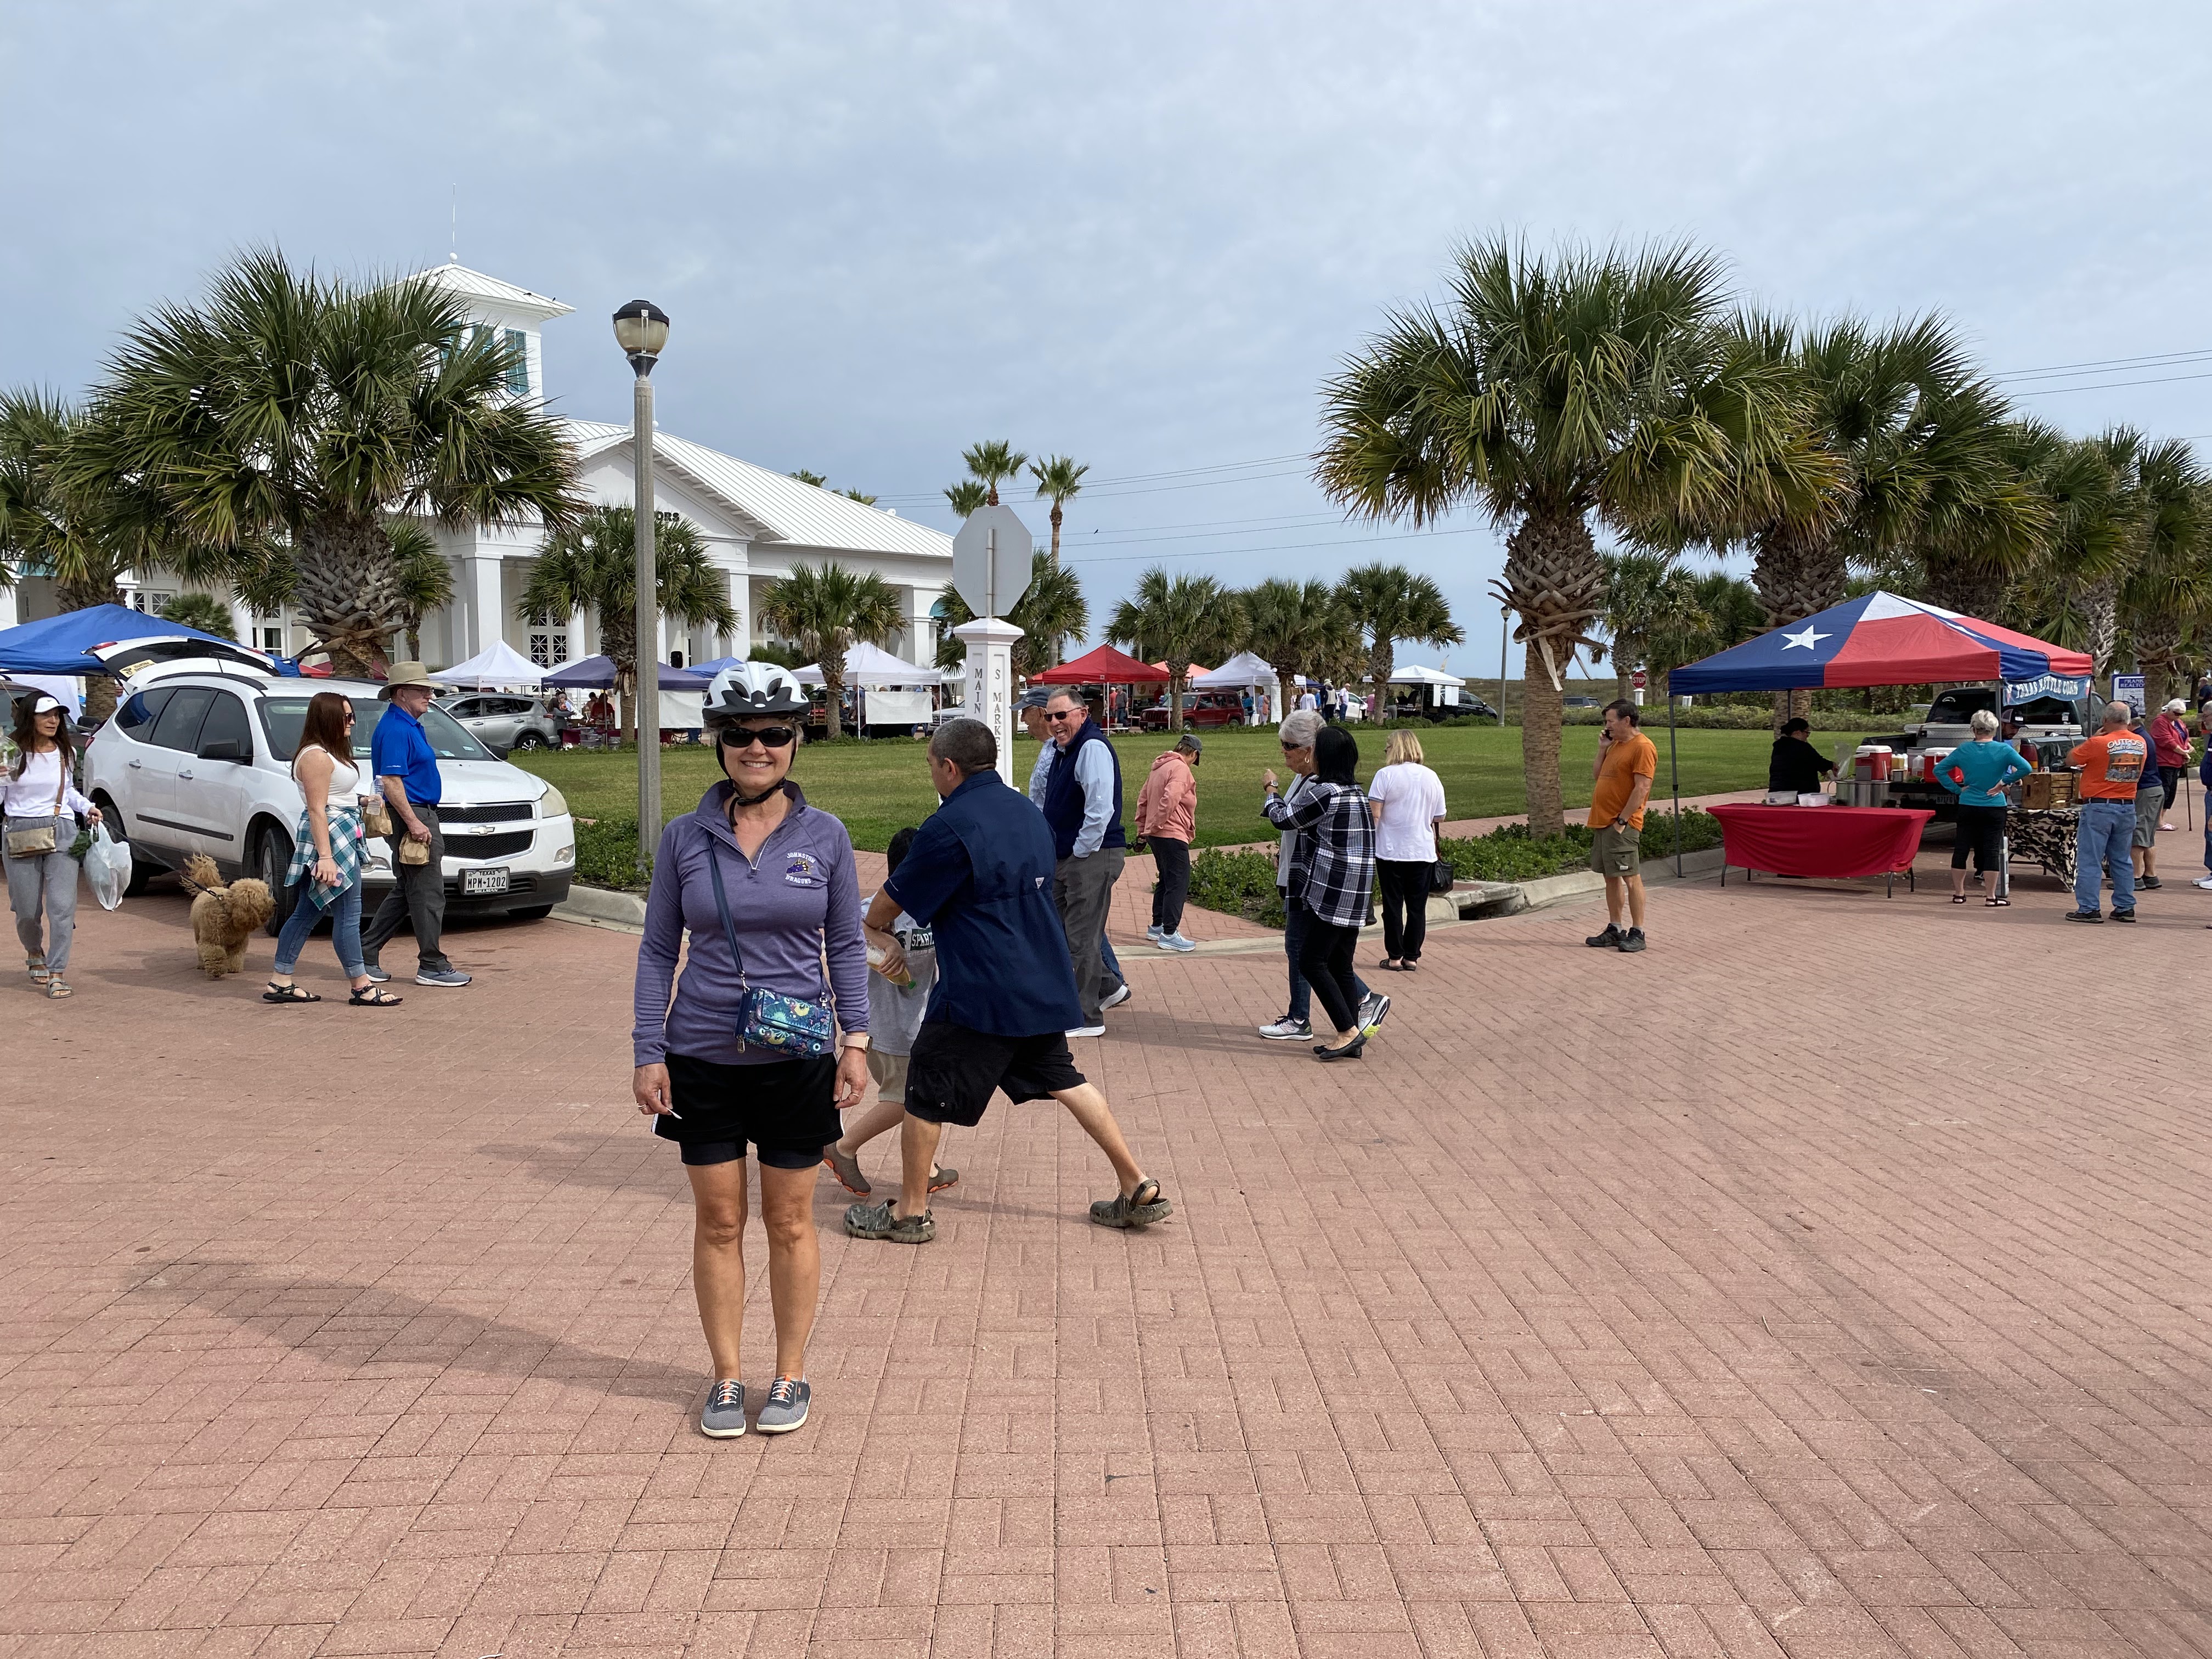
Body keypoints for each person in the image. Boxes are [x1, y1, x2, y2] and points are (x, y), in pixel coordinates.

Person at [632, 663, 873, 1437]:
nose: (757, 748)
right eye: (740, 735)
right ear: (719, 745)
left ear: (796, 741)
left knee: (792, 1222)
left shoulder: (826, 836)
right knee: (718, 1220)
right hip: (701, 1052)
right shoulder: (686, 837)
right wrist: (649, 1049)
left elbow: (844, 943)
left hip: (796, 1055)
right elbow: (657, 948)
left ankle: (791, 1374)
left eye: (774, 734)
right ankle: (729, 1378)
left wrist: (856, 1041)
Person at [843, 717, 1171, 1245]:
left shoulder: (947, 826)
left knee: (925, 1091)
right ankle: (1138, 1185)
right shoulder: (1028, 813)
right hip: (1042, 979)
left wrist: (875, 931)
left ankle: (909, 1212)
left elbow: (889, 902)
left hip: (979, 988)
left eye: (931, 764)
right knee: (1066, 1079)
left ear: (948, 767)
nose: (931, 773)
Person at [821, 826, 957, 1200]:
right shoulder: (869, 912)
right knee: (905, 1101)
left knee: (922, 1098)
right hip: (885, 1029)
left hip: (918, 1026)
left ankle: (926, 1169)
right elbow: (840, 932)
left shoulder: (936, 911)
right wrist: (878, 939)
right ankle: (843, 1148)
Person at [264, 693, 399, 1006]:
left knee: (308, 912)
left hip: (341, 832)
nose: (352, 722)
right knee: (348, 914)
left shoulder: (328, 752)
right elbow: (316, 809)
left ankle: (281, 980)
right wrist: (325, 857)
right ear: (327, 718)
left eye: (352, 716)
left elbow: (334, 798)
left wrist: (363, 801)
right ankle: (362, 986)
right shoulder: (315, 756)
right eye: (346, 716)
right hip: (329, 839)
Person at [1262, 724, 1385, 1061]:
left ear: (1324, 755)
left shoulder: (1325, 791)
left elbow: (1285, 819)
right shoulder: (1356, 792)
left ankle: (1346, 1031)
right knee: (1340, 963)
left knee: (1312, 961)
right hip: (1358, 891)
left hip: (1333, 890)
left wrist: (1271, 791)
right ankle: (1352, 1034)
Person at [359, 663, 468, 989]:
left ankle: (365, 952)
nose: (429, 696)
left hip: (416, 812)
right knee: (428, 890)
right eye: (423, 691)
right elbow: (391, 781)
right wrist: (415, 823)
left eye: (429, 690)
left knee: (409, 888)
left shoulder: (406, 724)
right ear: (401, 693)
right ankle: (432, 963)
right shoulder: (396, 728)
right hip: (414, 814)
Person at [1041, 686, 1130, 1036]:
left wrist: (1079, 850)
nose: (1054, 722)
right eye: (1050, 716)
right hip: (1070, 854)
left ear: (1082, 714)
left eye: (1062, 715)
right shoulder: (1065, 750)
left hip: (1091, 854)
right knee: (1063, 932)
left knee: (1079, 936)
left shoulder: (1091, 748)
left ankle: (1084, 1017)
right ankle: (1108, 987)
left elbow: (1100, 809)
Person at [4, 694, 99, 1001]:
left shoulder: (65, 751)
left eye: (57, 714)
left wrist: (87, 808)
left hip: (63, 830)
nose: (53, 720)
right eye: (45, 714)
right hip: (20, 831)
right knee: (27, 910)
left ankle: (57, 973)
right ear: (28, 717)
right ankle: (34, 951)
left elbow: (68, 790)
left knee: (62, 906)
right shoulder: (10, 751)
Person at [1933, 708, 2032, 906]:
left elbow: (1939, 770)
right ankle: (1990, 896)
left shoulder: (1964, 749)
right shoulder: (2004, 750)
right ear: (1995, 730)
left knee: (1961, 847)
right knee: (1991, 850)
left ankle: (1959, 893)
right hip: (1995, 805)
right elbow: (2026, 768)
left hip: (1968, 803)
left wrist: (1958, 789)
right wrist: (2004, 782)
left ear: (1973, 730)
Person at [1368, 729, 1448, 970]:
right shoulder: (1431, 776)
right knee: (1417, 908)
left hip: (1390, 850)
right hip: (1421, 851)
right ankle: (1412, 956)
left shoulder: (1385, 775)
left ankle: (1394, 956)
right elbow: (1440, 816)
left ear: (1394, 749)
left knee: (1392, 906)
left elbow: (1375, 813)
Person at [1583, 699, 1658, 953]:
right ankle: (1615, 929)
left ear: (1627, 721)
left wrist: (1623, 821)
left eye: (1611, 721)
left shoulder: (1643, 747)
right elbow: (1598, 776)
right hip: (1602, 822)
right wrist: (1603, 748)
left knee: (1630, 877)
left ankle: (1638, 932)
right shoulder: (1615, 745)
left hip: (1622, 825)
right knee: (1611, 877)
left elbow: (1642, 788)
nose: (1607, 726)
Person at [2064, 701, 2149, 923]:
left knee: (2091, 859)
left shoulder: (2098, 742)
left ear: (2105, 720)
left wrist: (2094, 737)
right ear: (2129, 720)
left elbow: (2071, 759)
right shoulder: (2140, 742)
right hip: (2127, 804)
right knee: (2121, 860)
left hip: (2099, 806)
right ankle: (2125, 905)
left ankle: (2089, 907)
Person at [1136, 732, 1201, 953]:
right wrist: (1155, 824)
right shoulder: (1181, 769)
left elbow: (1143, 799)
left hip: (1156, 835)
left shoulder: (1159, 767)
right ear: (1192, 753)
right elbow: (1171, 798)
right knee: (1179, 882)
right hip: (1171, 833)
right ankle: (1170, 933)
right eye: (1195, 758)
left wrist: (1144, 829)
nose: (1193, 763)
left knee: (1166, 879)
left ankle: (1158, 925)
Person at [2131, 709, 2167, 889]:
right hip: (2153, 789)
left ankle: (2136, 877)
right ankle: (2150, 875)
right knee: (2148, 835)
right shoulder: (2144, 736)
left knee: (2138, 834)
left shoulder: (2139, 739)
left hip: (2146, 790)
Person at [1767, 717, 1835, 797]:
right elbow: (1820, 762)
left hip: (1776, 790)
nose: (1807, 736)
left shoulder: (1779, 747)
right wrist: (1832, 765)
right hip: (1798, 792)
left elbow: (1804, 762)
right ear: (1798, 733)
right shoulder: (1802, 747)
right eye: (1807, 733)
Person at [2152, 698, 2190, 831]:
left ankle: (2162, 819)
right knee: (2165, 791)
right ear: (2168, 710)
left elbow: (2183, 738)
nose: (2179, 716)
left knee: (2172, 792)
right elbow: (2167, 741)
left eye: (2181, 714)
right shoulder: (2160, 722)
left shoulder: (2178, 722)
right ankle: (2158, 821)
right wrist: (2183, 752)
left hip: (2176, 762)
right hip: (2164, 762)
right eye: (2176, 713)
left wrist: (2188, 747)